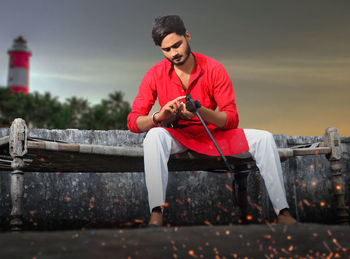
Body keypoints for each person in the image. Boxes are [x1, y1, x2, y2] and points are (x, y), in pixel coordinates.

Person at [127, 15, 296, 227]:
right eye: (166, 50)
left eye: (177, 45)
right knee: (154, 135)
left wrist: (200, 111)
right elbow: (133, 122)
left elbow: (231, 119)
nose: (174, 53)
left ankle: (283, 212)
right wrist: (160, 117)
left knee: (264, 138)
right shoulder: (154, 74)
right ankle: (156, 213)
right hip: (179, 138)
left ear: (187, 36)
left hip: (214, 136)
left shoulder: (214, 68)